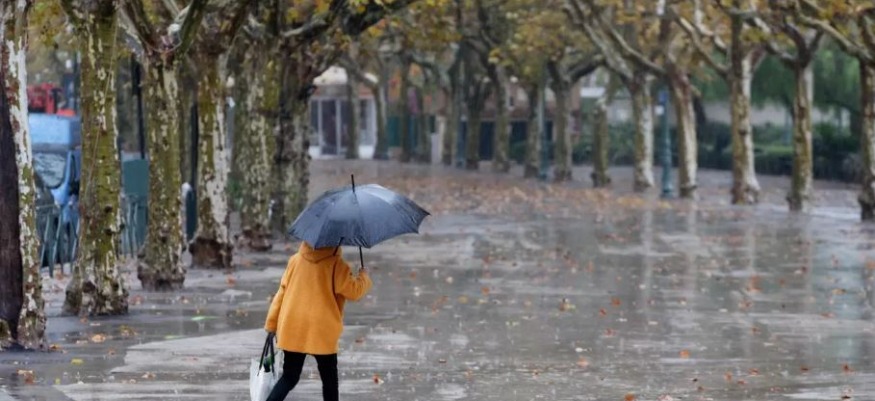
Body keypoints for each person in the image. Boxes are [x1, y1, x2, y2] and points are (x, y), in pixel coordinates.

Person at [264, 241, 373, 401]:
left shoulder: (295, 260)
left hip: (294, 325)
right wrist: (364, 276)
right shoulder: (336, 265)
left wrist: (272, 324)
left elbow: (281, 293)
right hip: (322, 329)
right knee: (329, 381)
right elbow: (354, 292)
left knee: (289, 377)